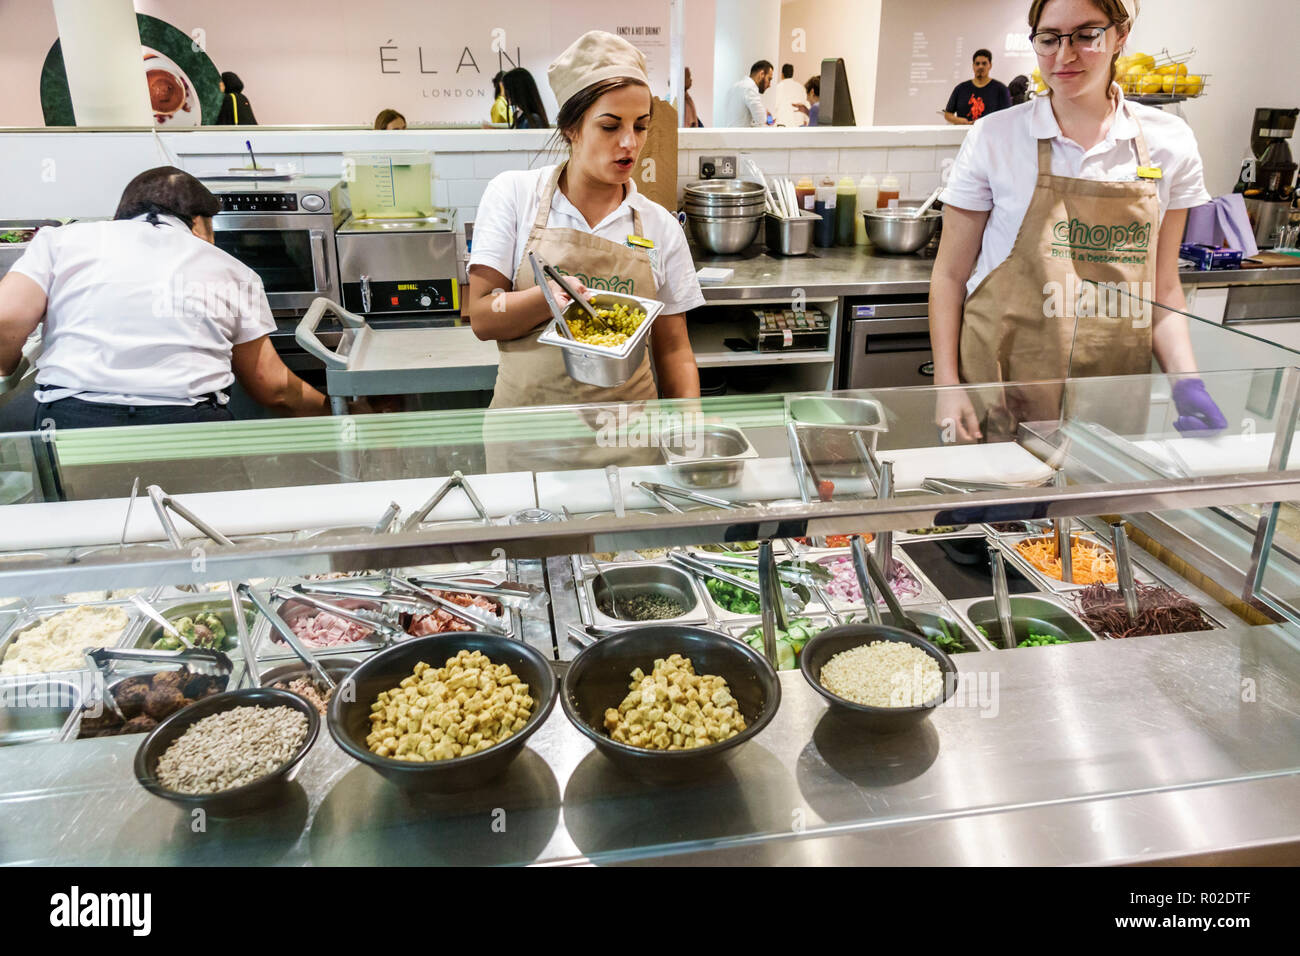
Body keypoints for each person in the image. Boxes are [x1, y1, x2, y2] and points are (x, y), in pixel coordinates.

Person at [928, 0, 1222, 442]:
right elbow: (950, 275)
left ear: (1120, 36)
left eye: (1087, 35)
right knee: (999, 510)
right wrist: (947, 385)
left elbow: (1163, 292)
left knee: (1094, 512)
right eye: (1049, 39)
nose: (1064, 56)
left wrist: (1187, 381)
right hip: (1002, 383)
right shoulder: (995, 137)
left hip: (1109, 390)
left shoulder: (1170, 144)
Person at [465, 30, 703, 413]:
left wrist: (689, 428)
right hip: (527, 444)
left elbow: (674, 349)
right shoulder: (512, 194)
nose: (630, 143)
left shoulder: (660, 226)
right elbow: (482, 317)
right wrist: (549, 300)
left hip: (628, 442)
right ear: (570, 128)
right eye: (610, 126)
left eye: (640, 126)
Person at [0, 167, 328, 430]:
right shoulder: (233, 269)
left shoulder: (61, 240)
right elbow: (274, 388)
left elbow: (6, 318)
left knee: (85, 513)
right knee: (199, 514)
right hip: (190, 426)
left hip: (75, 424)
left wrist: (8, 365)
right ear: (199, 223)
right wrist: (342, 410)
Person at [943, 50, 1011, 125]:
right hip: (964, 134)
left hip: (989, 134)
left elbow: (1007, 116)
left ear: (990, 65)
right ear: (973, 66)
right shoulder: (960, 88)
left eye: (984, 63)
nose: (980, 66)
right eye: (977, 64)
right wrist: (960, 121)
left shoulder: (1001, 89)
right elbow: (948, 114)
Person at [721, 60, 773, 128]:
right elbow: (761, 121)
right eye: (769, 79)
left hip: (730, 136)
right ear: (761, 74)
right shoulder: (750, 88)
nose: (769, 85)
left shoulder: (734, 87)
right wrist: (767, 118)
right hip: (742, 137)